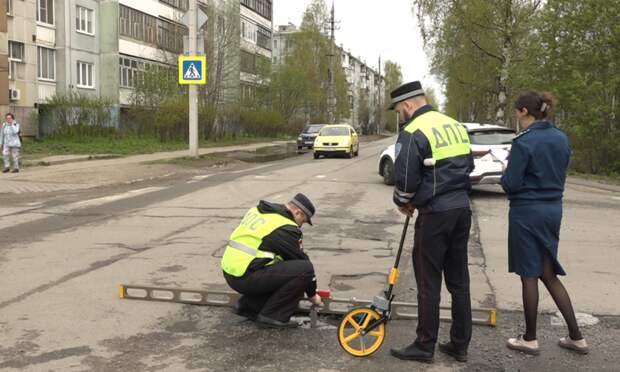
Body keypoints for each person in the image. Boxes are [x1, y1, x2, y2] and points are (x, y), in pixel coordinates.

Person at [388, 81, 475, 363]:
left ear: (409, 105)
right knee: (459, 280)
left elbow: (405, 179)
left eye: (400, 110)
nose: (401, 115)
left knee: (428, 281)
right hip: (462, 209)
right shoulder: (454, 125)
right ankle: (459, 344)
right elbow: (469, 166)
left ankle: (425, 345)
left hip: (435, 214)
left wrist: (403, 202)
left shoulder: (413, 131)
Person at [502, 91, 588, 355]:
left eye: (517, 112)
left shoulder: (523, 142)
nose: (517, 116)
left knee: (529, 274)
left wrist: (505, 170)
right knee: (547, 273)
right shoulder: (561, 138)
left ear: (525, 112)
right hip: (553, 210)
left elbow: (511, 184)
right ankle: (576, 337)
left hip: (527, 212)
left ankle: (529, 338)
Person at [221, 193, 323, 329]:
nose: (301, 225)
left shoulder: (258, 211)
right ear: (297, 212)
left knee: (283, 269)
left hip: (232, 271)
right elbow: (302, 261)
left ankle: (250, 307)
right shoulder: (284, 227)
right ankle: (273, 317)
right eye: (303, 221)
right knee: (304, 270)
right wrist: (312, 295)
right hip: (245, 276)